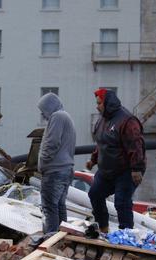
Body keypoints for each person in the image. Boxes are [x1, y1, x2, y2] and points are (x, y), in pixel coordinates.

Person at [86, 88, 146, 232]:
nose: (97, 106)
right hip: (106, 171)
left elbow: (136, 145)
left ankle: (126, 234)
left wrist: (136, 169)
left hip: (125, 170)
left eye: (100, 103)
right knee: (95, 193)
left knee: (122, 202)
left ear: (108, 103)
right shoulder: (102, 121)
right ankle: (103, 228)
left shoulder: (127, 121)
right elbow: (101, 144)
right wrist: (93, 160)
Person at [37, 93, 77, 234]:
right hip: (65, 170)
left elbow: (51, 143)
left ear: (49, 108)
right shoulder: (65, 116)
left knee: (50, 207)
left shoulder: (57, 117)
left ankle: (51, 239)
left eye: (43, 111)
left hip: (55, 171)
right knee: (59, 206)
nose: (43, 115)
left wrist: (43, 162)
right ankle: (62, 238)